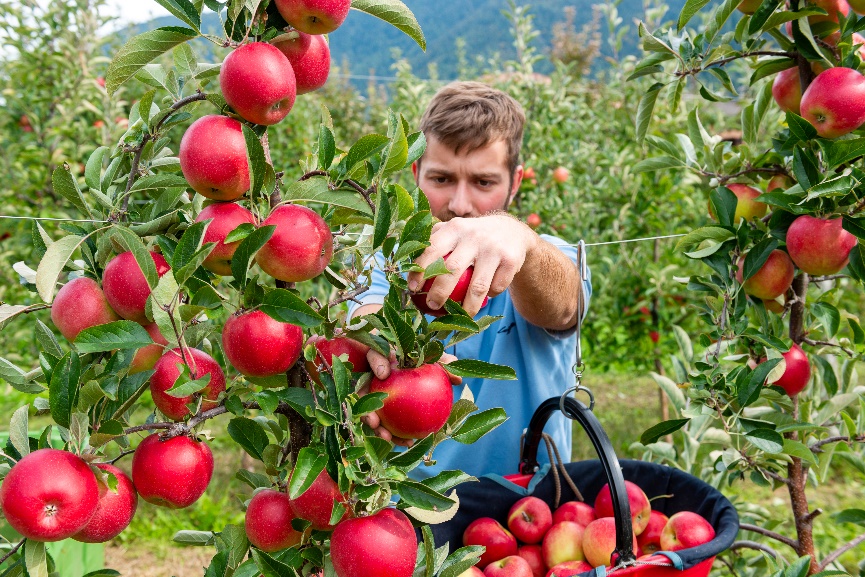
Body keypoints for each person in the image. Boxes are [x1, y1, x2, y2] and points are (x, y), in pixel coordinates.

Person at [348, 81, 592, 480]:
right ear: (416, 174)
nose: (460, 205)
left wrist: (520, 240)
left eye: (483, 183)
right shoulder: (387, 263)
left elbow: (565, 306)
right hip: (410, 519)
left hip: (529, 508)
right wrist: (389, 350)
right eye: (441, 179)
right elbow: (365, 313)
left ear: (514, 183)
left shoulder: (548, 257)